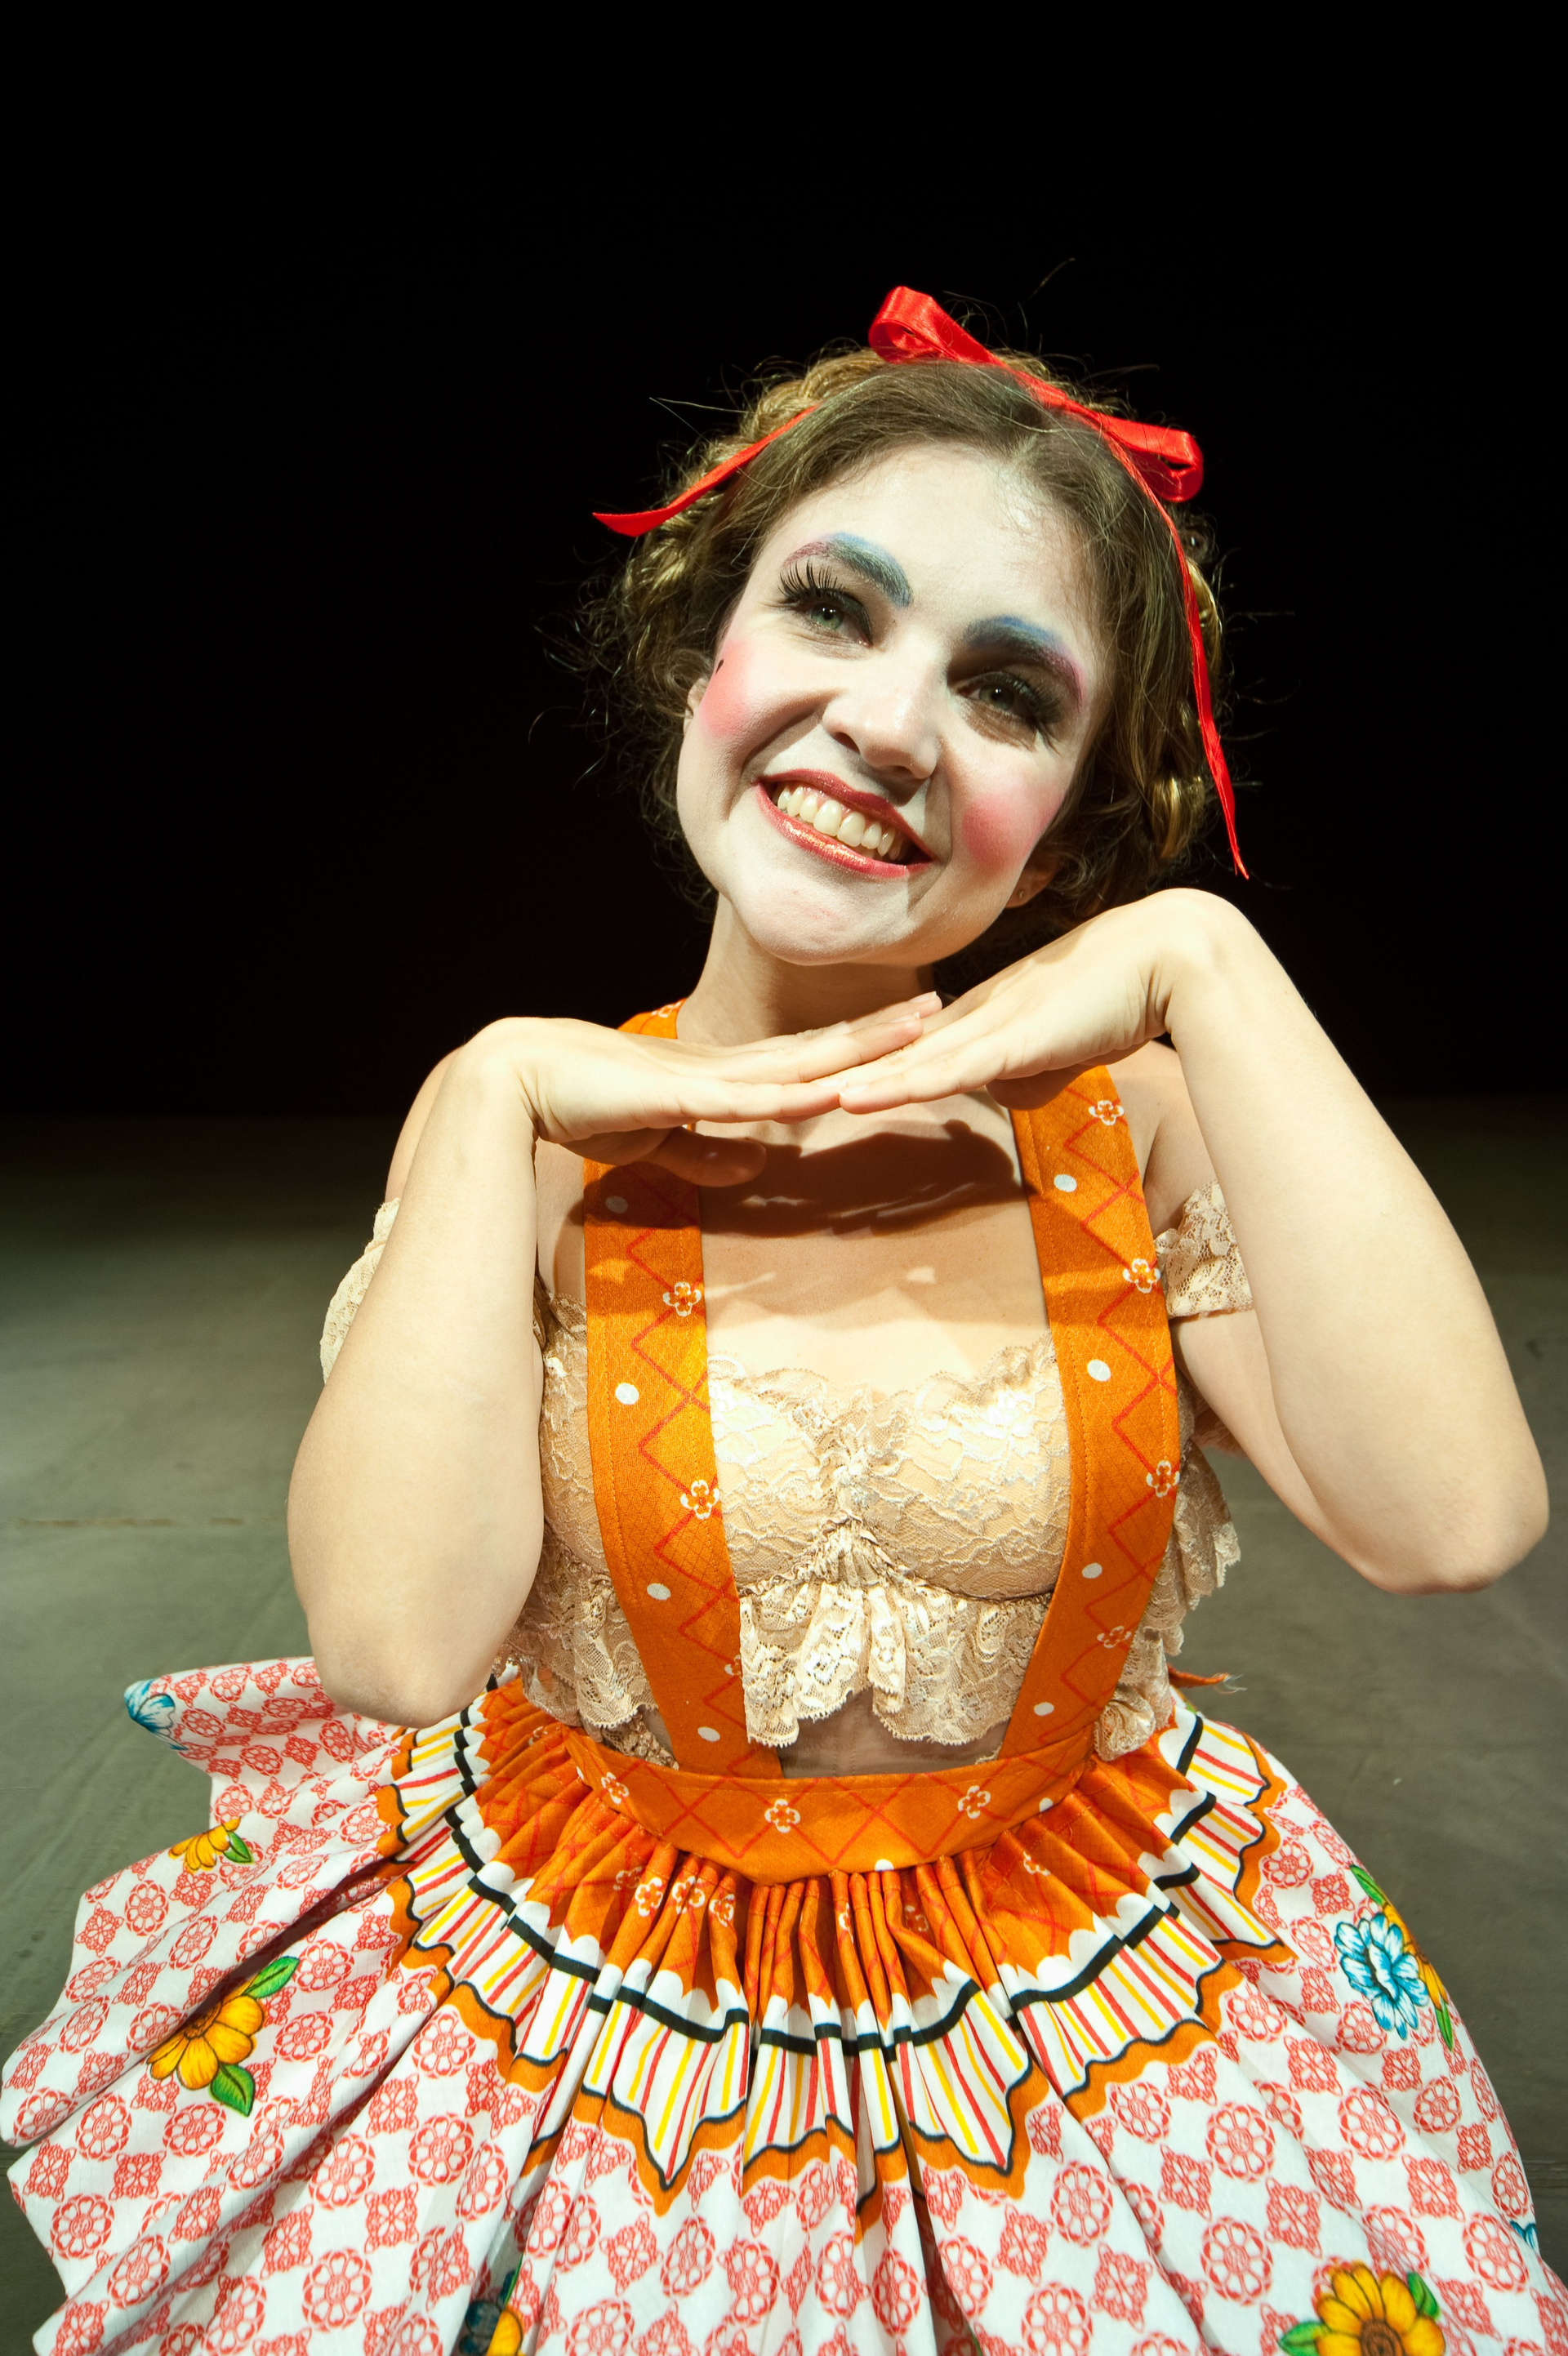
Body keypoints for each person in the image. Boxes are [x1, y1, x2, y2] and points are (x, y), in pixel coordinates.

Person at [3, 290, 1557, 2356]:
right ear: (702, 650)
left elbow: (1454, 1519)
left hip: (1087, 2017)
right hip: (604, 2026)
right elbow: (392, 1649)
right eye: (834, 608)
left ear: (1071, 817)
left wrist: (1210, 961)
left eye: (1010, 693)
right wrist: (489, 1092)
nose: (893, 725)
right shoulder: (527, 1131)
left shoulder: (1146, 1126)